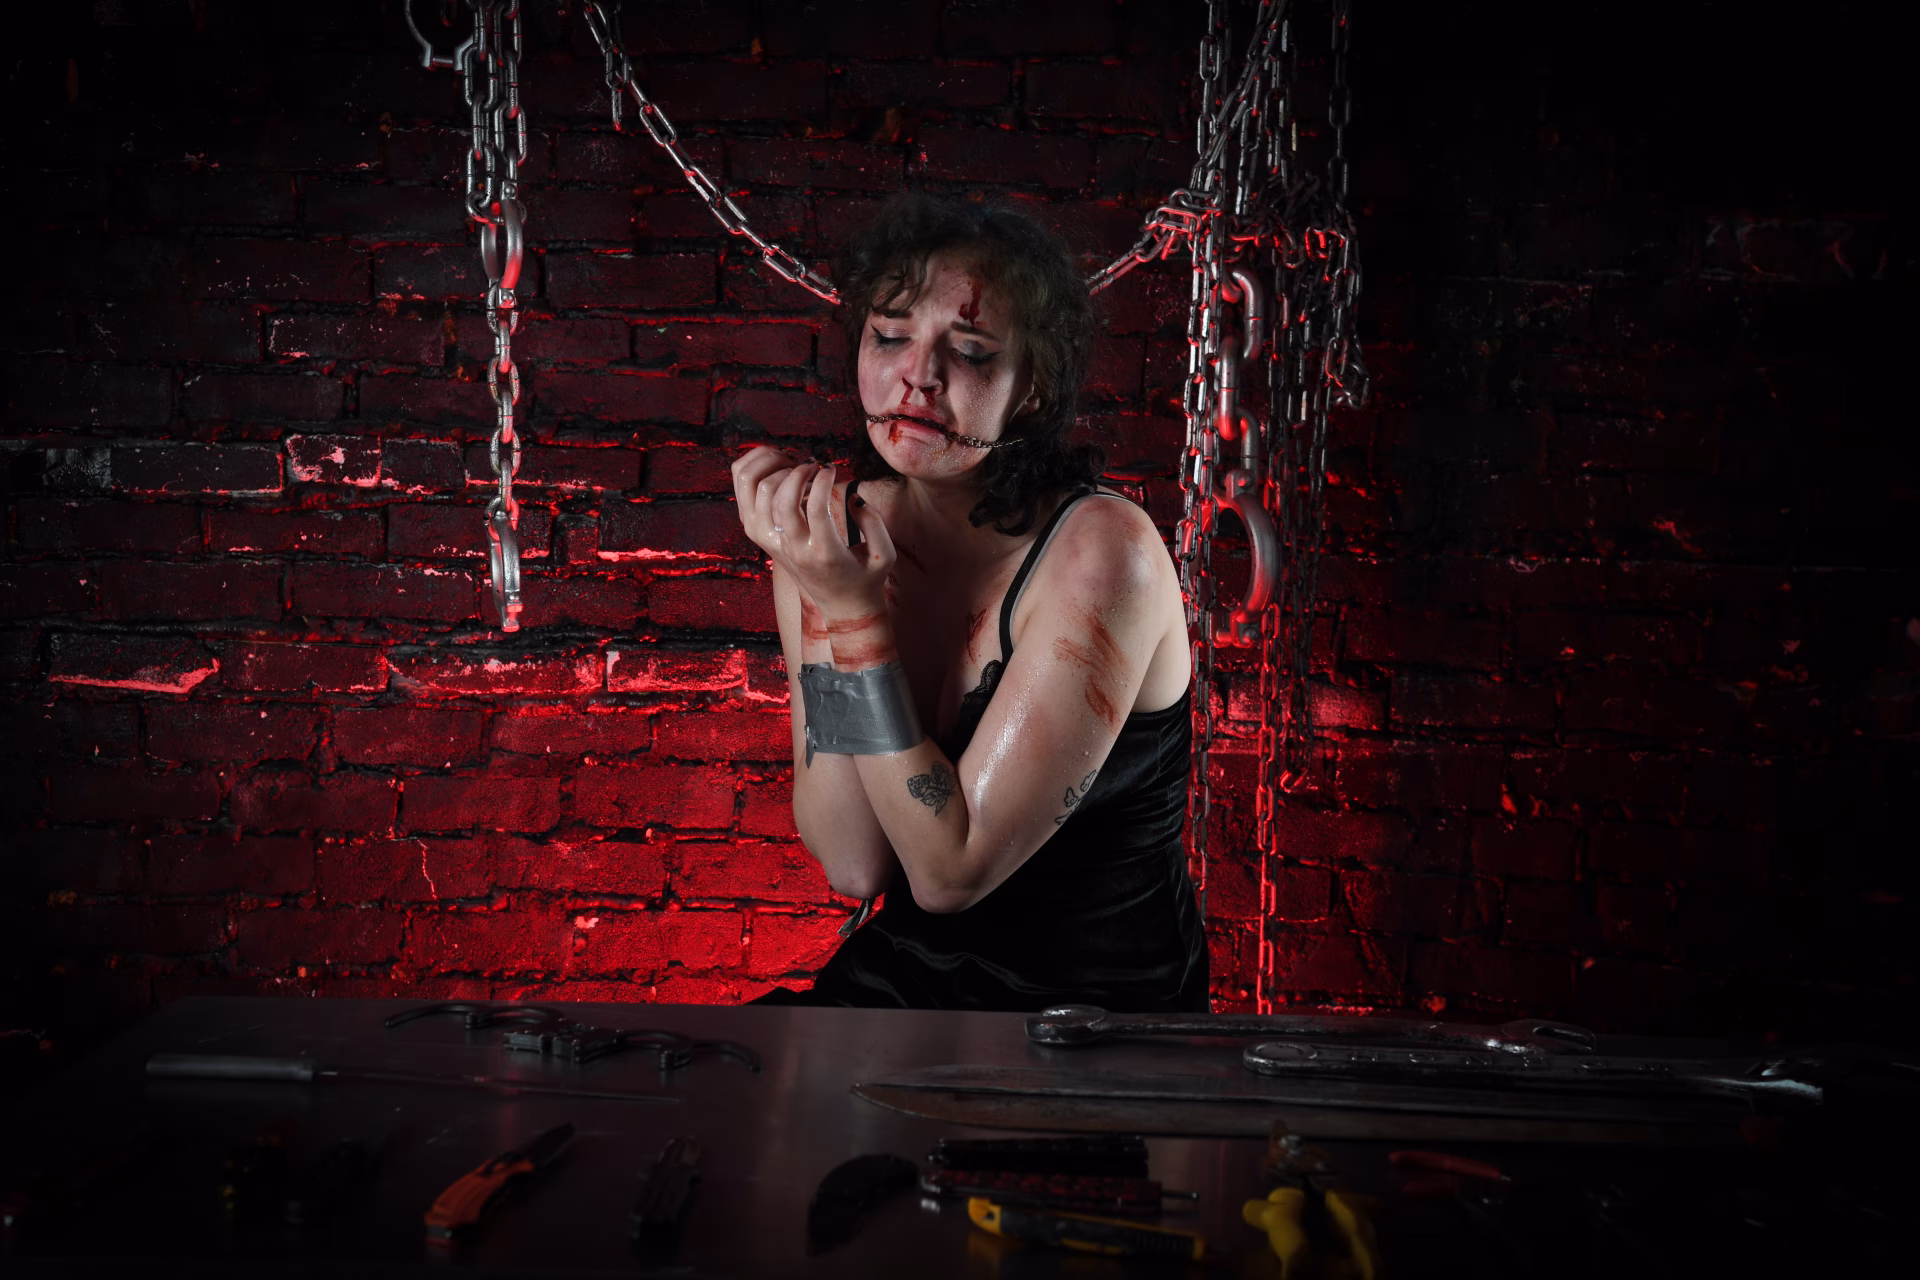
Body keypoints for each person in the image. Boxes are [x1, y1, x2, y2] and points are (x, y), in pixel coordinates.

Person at [730, 191, 1207, 1011]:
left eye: (972, 351)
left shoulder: (1105, 555)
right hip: (908, 991)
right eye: (890, 337)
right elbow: (853, 862)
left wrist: (853, 616)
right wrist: (823, 592)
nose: (918, 375)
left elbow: (949, 874)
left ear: (1031, 388)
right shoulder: (836, 540)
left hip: (1094, 1021)